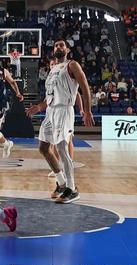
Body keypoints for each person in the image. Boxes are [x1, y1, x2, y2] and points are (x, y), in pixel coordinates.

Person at [26, 40, 93, 203]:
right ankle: (61, 183)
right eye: (56, 45)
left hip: (64, 110)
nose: (58, 47)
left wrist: (87, 110)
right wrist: (39, 107)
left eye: (62, 45)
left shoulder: (72, 65)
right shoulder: (52, 70)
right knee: (43, 147)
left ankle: (72, 188)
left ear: (67, 50)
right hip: (51, 111)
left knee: (62, 147)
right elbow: (49, 96)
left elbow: (84, 87)